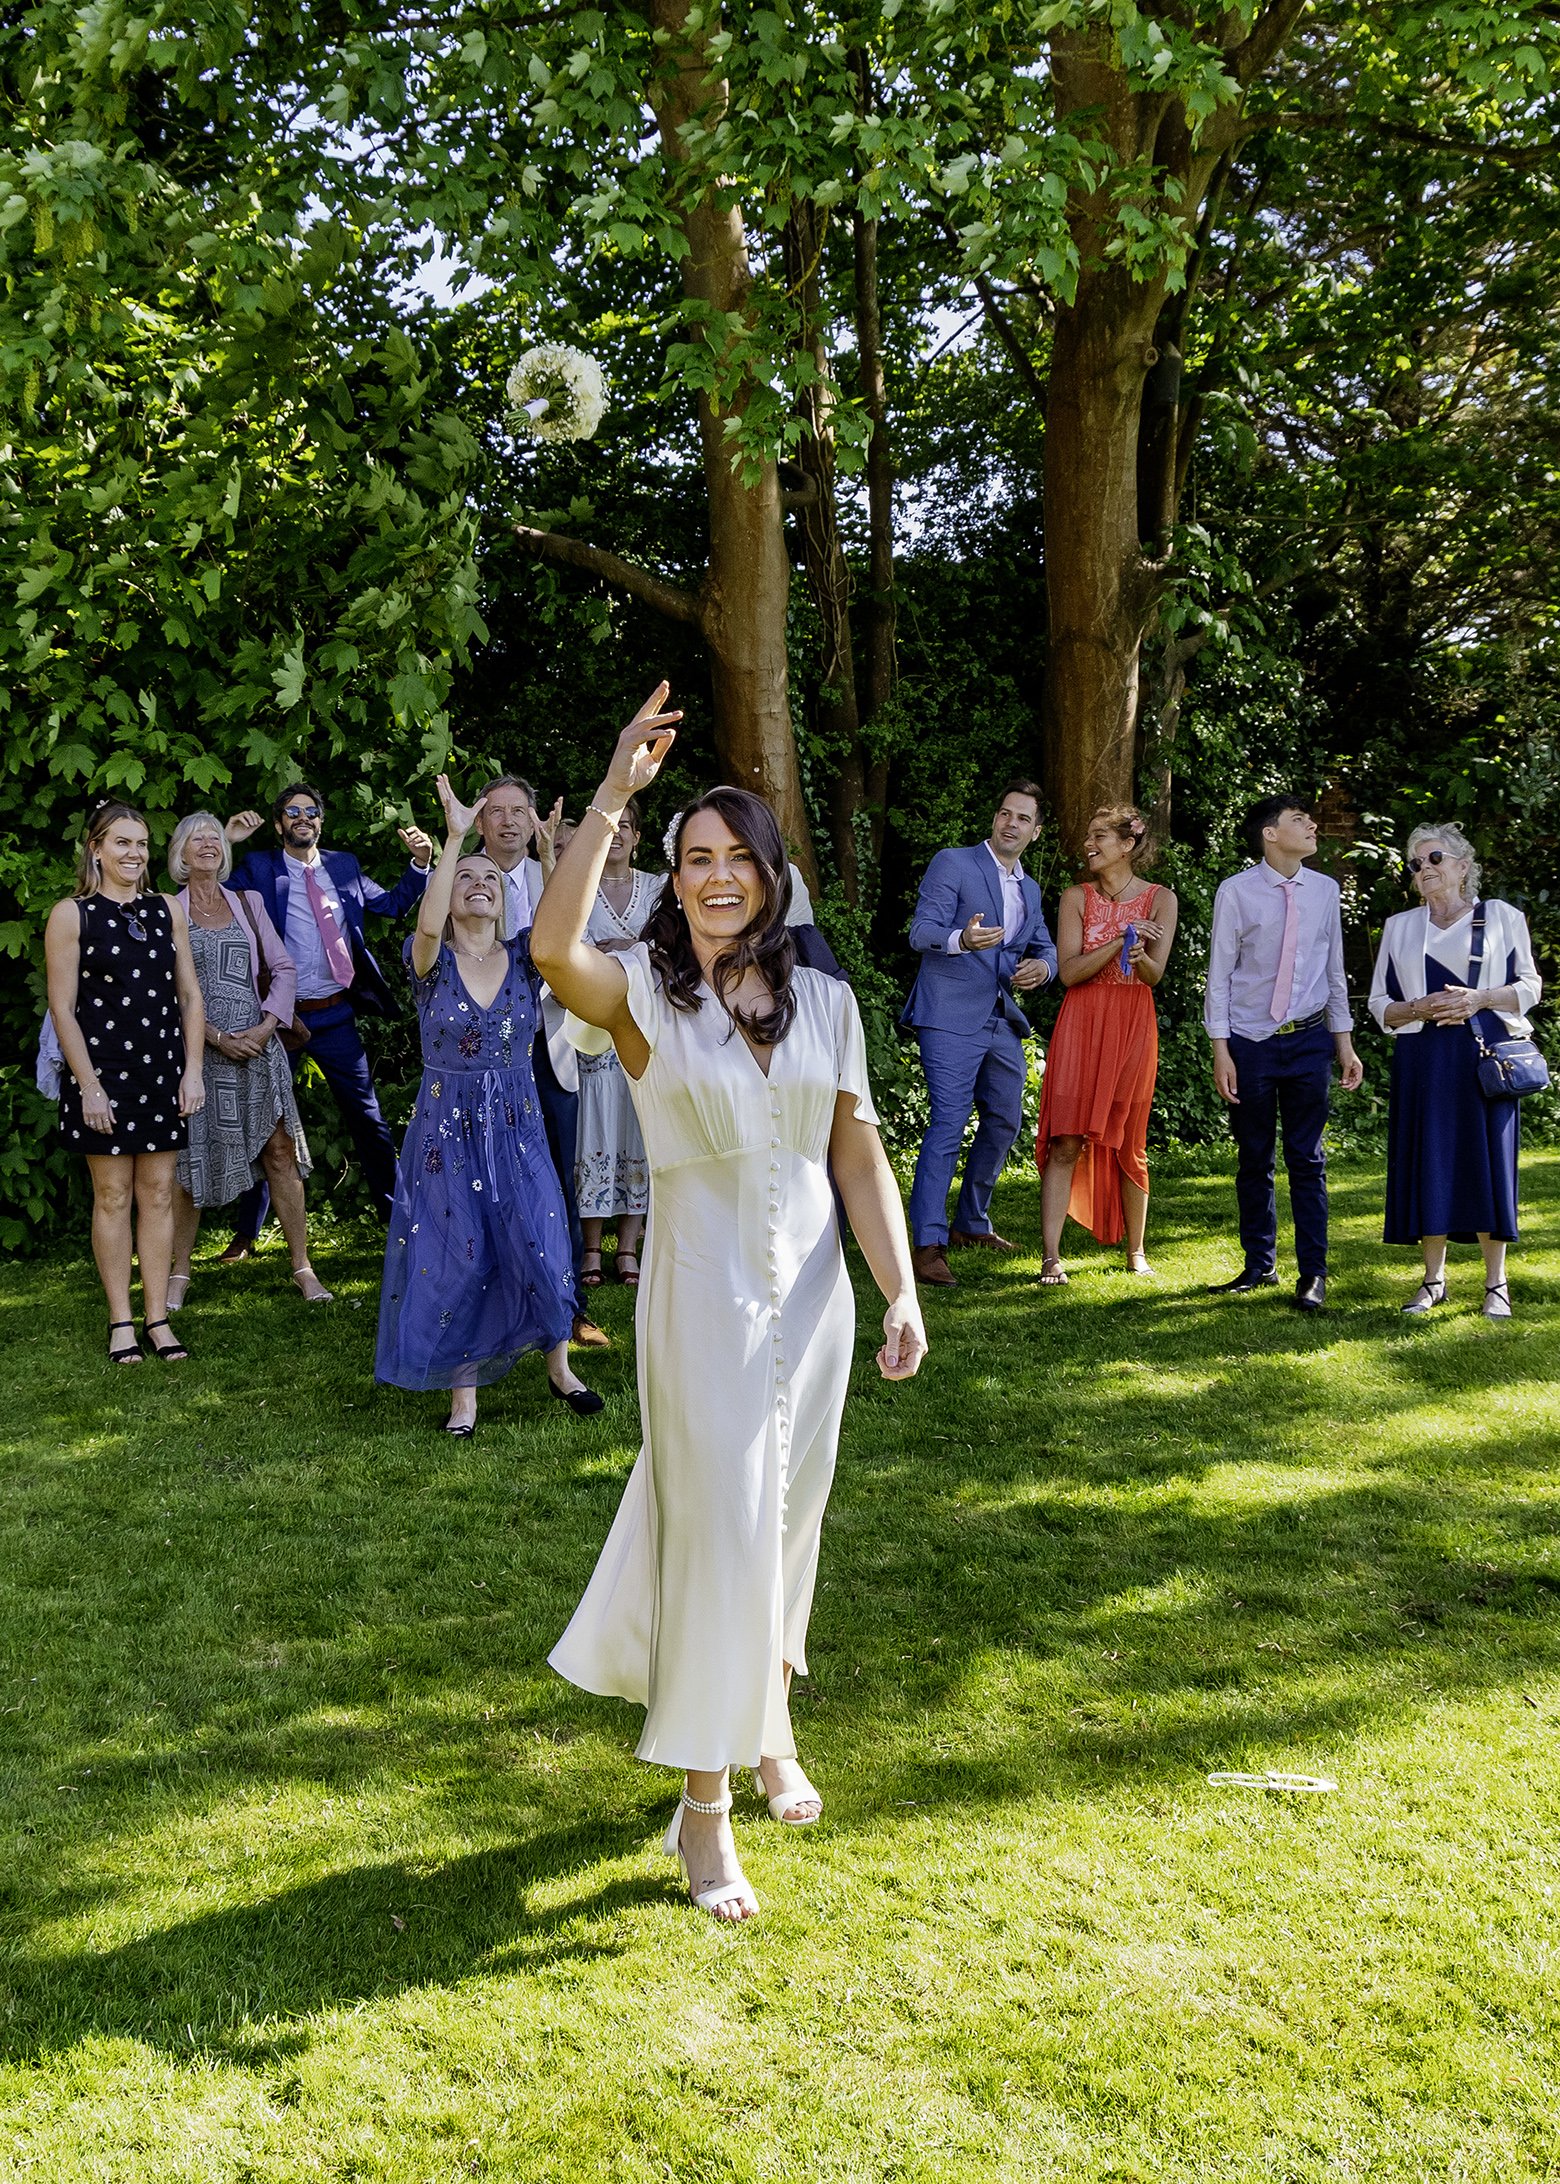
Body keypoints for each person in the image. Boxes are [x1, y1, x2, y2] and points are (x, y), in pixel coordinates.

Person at [534, 686, 927, 1925]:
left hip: (813, 1302)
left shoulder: (828, 1005)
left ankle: (771, 1725)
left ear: (770, 876)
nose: (713, 877)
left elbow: (856, 1156)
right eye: (693, 859)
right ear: (676, 878)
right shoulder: (647, 1002)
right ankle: (702, 1812)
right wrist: (611, 801)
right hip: (700, 1301)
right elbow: (552, 953)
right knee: (719, 1529)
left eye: (733, 858)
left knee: (787, 1518)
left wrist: (900, 1287)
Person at [374, 776, 603, 1436]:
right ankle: (463, 1398)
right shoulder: (430, 961)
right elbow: (424, 916)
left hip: (518, 1123)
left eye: (490, 880)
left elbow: (567, 925)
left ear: (506, 900)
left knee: (539, 1241)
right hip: (446, 1132)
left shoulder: (528, 961)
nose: (479, 884)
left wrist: (551, 858)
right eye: (465, 878)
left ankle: (561, 1369)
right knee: (460, 1256)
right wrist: (453, 838)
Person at [218, 782, 434, 1256]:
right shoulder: (257, 868)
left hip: (334, 1015)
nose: (303, 818)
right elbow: (205, 898)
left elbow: (393, 905)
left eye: (311, 811)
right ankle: (246, 1234)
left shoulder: (344, 866)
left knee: (369, 1120)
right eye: (291, 812)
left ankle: (398, 1217)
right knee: (264, 1125)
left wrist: (420, 863)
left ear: (320, 821)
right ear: (278, 826)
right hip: (277, 1021)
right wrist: (226, 842)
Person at [44, 801, 206, 1362]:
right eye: (121, 843)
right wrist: (87, 1084)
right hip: (102, 1074)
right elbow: (63, 1009)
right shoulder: (72, 914)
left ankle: (158, 1318)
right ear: (96, 848)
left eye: (140, 844)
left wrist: (193, 1071)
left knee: (158, 1194)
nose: (134, 853)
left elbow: (189, 995)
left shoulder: (166, 910)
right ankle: (121, 1322)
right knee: (112, 1196)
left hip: (162, 1071)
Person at [1369, 822, 1541, 1319]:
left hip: (1483, 1057)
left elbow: (1530, 986)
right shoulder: (1400, 925)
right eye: (1416, 863)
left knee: (1488, 1165)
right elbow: (1381, 1005)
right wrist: (1418, 1008)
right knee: (1430, 1163)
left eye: (1435, 858)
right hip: (1424, 1062)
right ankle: (1432, 1281)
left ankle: (1495, 1285)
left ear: (1464, 867)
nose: (1425, 869)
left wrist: (1480, 998)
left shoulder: (1502, 917)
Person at [1204, 795, 1363, 1311]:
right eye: (1299, 819)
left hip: (1310, 1041)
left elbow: (1334, 969)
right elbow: (1220, 976)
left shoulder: (1325, 890)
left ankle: (1313, 1274)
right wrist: (1221, 1050)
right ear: (1270, 834)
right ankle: (1259, 1265)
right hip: (1250, 1044)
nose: (1313, 824)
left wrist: (1344, 1043)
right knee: (1254, 1159)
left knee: (1307, 1160)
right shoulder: (1236, 892)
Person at [165, 813, 329, 1311]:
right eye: (197, 838)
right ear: (180, 854)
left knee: (280, 1153)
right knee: (190, 1162)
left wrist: (264, 1028)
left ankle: (302, 1266)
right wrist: (214, 1037)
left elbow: (283, 967)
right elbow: (167, 991)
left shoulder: (247, 902)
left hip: (260, 1048)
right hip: (201, 1053)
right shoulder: (168, 909)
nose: (209, 844)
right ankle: (178, 1271)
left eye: (215, 837)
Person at [901, 781, 1058, 1287]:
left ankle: (971, 1221)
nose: (1011, 823)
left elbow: (1043, 945)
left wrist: (1044, 969)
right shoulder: (955, 863)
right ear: (995, 818)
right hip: (948, 1012)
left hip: (1000, 1018)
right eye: (1005, 813)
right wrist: (959, 939)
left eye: (1023, 819)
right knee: (949, 1121)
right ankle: (927, 1242)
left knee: (1006, 1119)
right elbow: (920, 930)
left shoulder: (1029, 888)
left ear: (1035, 832)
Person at [472, 774, 608, 1350]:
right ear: (479, 822)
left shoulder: (547, 871)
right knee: (488, 1179)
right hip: (487, 1055)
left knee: (560, 1180)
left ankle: (571, 1306)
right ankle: (493, 1307)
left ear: (534, 820)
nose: (508, 821)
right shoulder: (464, 877)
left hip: (549, 1047)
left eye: (519, 811)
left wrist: (554, 855)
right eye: (496, 811)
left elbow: (569, 936)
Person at [1035, 804, 1179, 1282]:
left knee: (1129, 1139)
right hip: (1081, 1022)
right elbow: (1070, 972)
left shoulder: (1163, 899)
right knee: (1065, 1139)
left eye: (1100, 836)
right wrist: (1120, 940)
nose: (1088, 844)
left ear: (1128, 845)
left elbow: (1156, 976)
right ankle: (1051, 1255)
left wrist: (1139, 957)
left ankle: (1136, 1250)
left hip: (1133, 1023)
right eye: (1088, 835)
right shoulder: (1075, 897)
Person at [576, 800, 656, 1288]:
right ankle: (590, 1250)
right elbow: (573, 946)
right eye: (613, 827)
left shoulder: (658, 888)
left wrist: (621, 950)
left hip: (647, 1025)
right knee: (595, 1130)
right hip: (593, 1026)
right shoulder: (580, 885)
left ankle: (628, 1249)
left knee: (640, 1131)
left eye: (628, 826)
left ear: (638, 836)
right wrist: (630, 950)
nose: (620, 834)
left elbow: (670, 942)